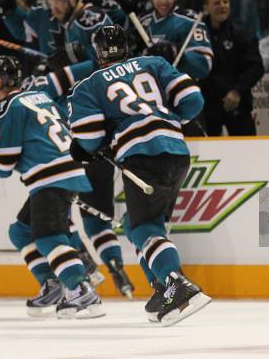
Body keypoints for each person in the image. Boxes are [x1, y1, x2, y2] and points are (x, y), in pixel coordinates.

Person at [0, 0, 134, 296]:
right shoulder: (50, 19)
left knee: (78, 208)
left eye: (58, 0)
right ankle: (89, 262)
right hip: (66, 125)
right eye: (51, 0)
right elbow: (21, 27)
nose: (53, 7)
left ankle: (99, 267)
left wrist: (58, 77)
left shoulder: (95, 21)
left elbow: (109, 62)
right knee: (67, 204)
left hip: (96, 123)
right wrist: (7, 4)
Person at [67, 24, 211, 326]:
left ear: (97, 51)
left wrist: (87, 148)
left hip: (140, 158)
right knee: (136, 223)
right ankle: (162, 288)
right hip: (177, 151)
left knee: (146, 226)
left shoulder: (88, 85)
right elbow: (193, 99)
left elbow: (89, 136)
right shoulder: (153, 64)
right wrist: (167, 120)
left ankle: (177, 284)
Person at [0, 55, 104, 319]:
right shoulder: (39, 96)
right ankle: (54, 284)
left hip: (50, 176)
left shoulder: (7, 107)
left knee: (48, 238)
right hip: (66, 169)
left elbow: (2, 164)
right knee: (21, 232)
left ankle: (80, 290)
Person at [201, 0, 264, 136]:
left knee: (248, 153)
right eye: (217, 3)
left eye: (225, 2)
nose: (222, 6)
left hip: (238, 102)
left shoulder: (241, 34)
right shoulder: (197, 35)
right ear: (206, 8)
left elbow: (256, 66)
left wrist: (237, 91)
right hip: (208, 105)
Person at [138, 0, 213, 81]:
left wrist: (176, 53)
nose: (163, 1)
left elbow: (204, 66)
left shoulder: (190, 21)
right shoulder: (142, 21)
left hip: (180, 88)